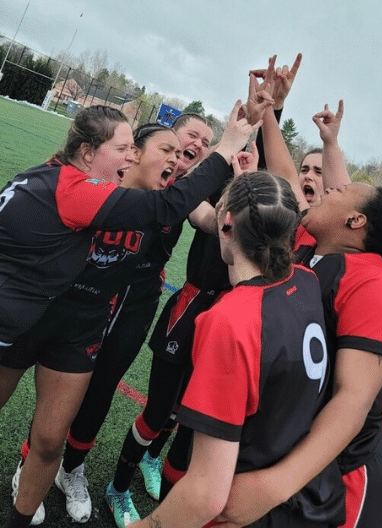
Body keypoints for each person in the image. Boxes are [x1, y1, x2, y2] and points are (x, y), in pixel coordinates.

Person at [0, 103, 257, 528]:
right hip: (32, 311)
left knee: (52, 438)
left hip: (83, 322)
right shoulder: (80, 187)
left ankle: (23, 514)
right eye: (127, 148)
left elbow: (196, 212)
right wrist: (227, 145)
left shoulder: (145, 188)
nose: (175, 157)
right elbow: (163, 208)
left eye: (187, 151)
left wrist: (242, 173)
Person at [209, 90, 382, 526]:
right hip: (291, 451)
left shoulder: (376, 286)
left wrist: (276, 483)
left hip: (338, 475)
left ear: (355, 222)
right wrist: (266, 114)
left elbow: (352, 401)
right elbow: (284, 174)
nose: (329, 189)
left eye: (341, 190)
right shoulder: (313, 246)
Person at [103, 61, 293, 528]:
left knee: (191, 420)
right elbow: (202, 211)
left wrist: (274, 112)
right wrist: (250, 120)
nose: (245, 164)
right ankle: (117, 487)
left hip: (233, 315)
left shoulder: (256, 200)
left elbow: (274, 178)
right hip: (191, 309)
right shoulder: (209, 195)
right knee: (158, 411)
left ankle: (156, 468)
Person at [128, 171, 343, 528]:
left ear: (226, 223)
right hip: (307, 496)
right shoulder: (306, 280)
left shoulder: (232, 318)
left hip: (248, 506)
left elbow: (206, 496)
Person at [53, 118, 216, 524]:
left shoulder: (185, 194)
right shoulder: (118, 180)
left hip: (137, 300)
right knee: (57, 380)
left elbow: (207, 219)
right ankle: (34, 459)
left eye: (203, 143)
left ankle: (70, 467)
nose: (193, 146)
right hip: (90, 291)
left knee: (103, 386)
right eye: (187, 137)